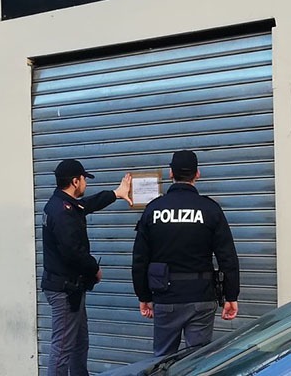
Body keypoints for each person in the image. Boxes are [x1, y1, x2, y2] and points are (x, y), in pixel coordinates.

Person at [132, 150, 240, 356]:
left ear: (171, 173)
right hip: (201, 296)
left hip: (166, 297)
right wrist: (231, 295)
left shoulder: (154, 209)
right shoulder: (209, 209)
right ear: (197, 174)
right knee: (197, 360)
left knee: (162, 361)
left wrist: (143, 295)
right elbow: (227, 257)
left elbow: (139, 259)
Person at [41, 159, 132, 376]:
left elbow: (87, 204)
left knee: (79, 343)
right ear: (75, 181)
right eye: (84, 179)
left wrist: (116, 193)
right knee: (62, 348)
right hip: (64, 290)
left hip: (70, 288)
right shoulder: (62, 212)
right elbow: (72, 252)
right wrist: (94, 269)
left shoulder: (61, 204)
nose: (86, 184)